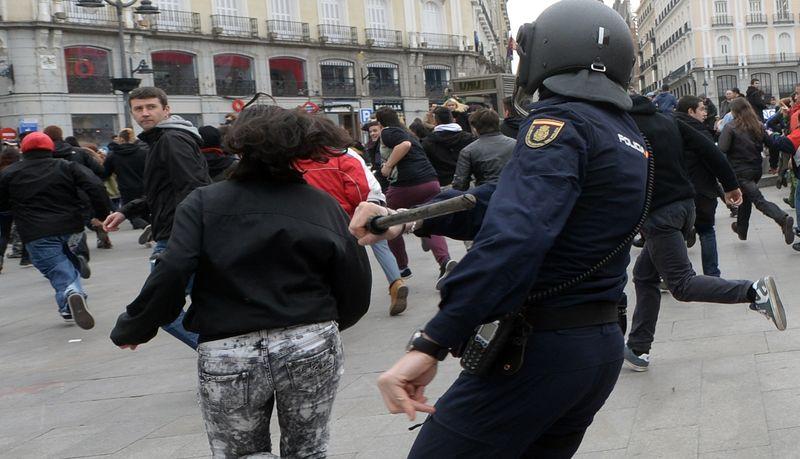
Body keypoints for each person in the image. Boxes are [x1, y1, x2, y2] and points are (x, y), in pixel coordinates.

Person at [349, 1, 651, 454]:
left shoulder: (558, 123)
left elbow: (516, 234)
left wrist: (432, 340)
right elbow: (501, 197)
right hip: (596, 347)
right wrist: (400, 222)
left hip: (539, 351)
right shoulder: (626, 135)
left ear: (545, 55)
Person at [110, 105, 371, 458]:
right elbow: (353, 277)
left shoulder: (203, 202)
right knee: (307, 450)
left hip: (229, 346)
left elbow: (173, 269)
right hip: (307, 339)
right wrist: (331, 322)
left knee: (239, 453)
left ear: (239, 145)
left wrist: (136, 326)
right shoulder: (321, 204)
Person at [624, 93, 786, 373]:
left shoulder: (624, 127)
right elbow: (709, 149)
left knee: (682, 285)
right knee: (645, 276)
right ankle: (639, 347)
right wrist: (730, 185)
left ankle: (754, 291)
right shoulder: (668, 119)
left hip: (660, 213)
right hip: (686, 206)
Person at [103, 86, 212, 350]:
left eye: (151, 107)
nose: (145, 113)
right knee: (204, 303)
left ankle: (218, 354)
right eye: (138, 109)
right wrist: (126, 210)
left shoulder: (171, 139)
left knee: (160, 307)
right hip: (180, 233)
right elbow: (162, 192)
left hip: (176, 237)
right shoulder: (160, 140)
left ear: (166, 109)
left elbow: (193, 187)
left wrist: (186, 234)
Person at [0, 132, 111, 328]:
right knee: (65, 260)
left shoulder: (10, 173)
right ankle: (75, 271)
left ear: (23, 150)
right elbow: (95, 185)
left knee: (56, 268)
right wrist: (101, 214)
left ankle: (70, 296)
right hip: (72, 227)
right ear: (50, 148)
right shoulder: (67, 166)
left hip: (36, 230)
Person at [376, 106, 456, 288]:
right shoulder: (407, 132)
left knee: (391, 220)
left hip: (406, 184)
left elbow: (404, 146)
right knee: (429, 219)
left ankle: (402, 266)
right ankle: (445, 261)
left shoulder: (388, 132)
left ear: (381, 123)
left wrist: (388, 166)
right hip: (430, 181)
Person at [719, 98, 794, 244]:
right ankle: (741, 229)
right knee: (745, 197)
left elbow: (721, 149)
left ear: (734, 112)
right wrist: (774, 163)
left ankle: (782, 219)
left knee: (758, 200)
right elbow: (773, 144)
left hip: (740, 171)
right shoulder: (758, 125)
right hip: (756, 169)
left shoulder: (730, 127)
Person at [674, 95, 734, 276]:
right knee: (707, 231)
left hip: (677, 190)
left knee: (673, 235)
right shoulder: (700, 132)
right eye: (701, 109)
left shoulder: (670, 127)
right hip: (702, 190)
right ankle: (712, 274)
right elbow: (714, 161)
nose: (705, 113)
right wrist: (728, 187)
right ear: (690, 111)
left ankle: (672, 274)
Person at [451, 108, 516, 191]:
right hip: (514, 192)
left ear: (475, 127)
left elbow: (460, 185)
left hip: (486, 195)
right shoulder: (515, 144)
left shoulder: (468, 151)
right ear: (498, 123)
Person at [104, 128, 149, 230]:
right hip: (144, 185)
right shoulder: (143, 152)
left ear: (120, 139)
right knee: (145, 209)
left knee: (131, 213)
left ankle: (145, 227)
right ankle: (149, 228)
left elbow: (105, 173)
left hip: (126, 188)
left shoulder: (113, 155)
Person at [421, 107, 476, 187]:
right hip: (466, 183)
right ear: (452, 119)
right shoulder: (469, 138)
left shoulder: (427, 142)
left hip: (440, 183)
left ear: (436, 120)